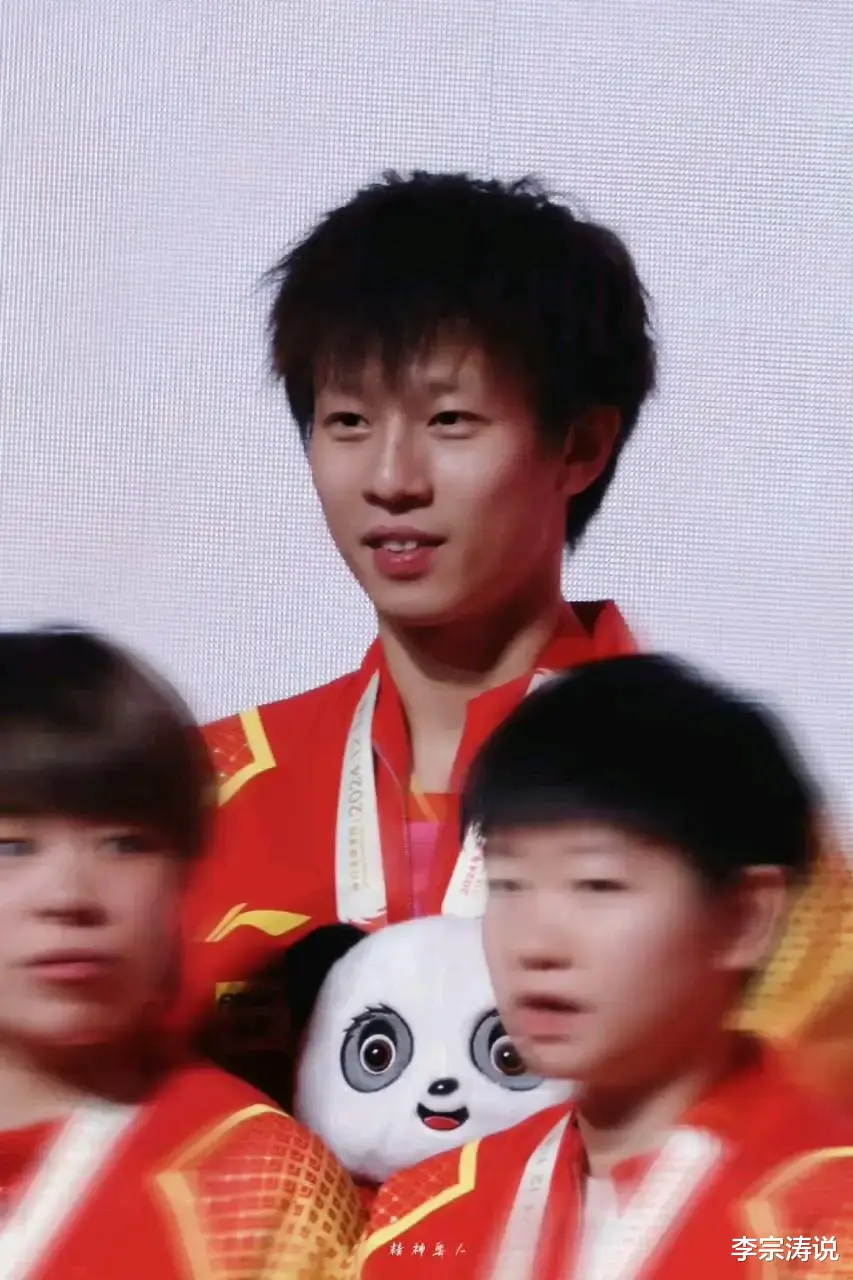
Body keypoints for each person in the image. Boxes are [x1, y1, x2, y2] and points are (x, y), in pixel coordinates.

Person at [178, 170, 657, 1060]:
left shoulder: (708, 804)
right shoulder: (191, 802)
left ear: (581, 444)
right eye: (348, 421)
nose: (391, 479)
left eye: (449, 420)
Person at [356, 656, 853, 1279]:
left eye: (597, 885)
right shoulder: (424, 1214)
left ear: (745, 918)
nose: (535, 944)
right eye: (508, 883)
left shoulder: (827, 1227)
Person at [0, 628, 364, 1280]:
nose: (69, 897)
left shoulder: (255, 1178)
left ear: (187, 872)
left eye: (125, 844)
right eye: (13, 847)